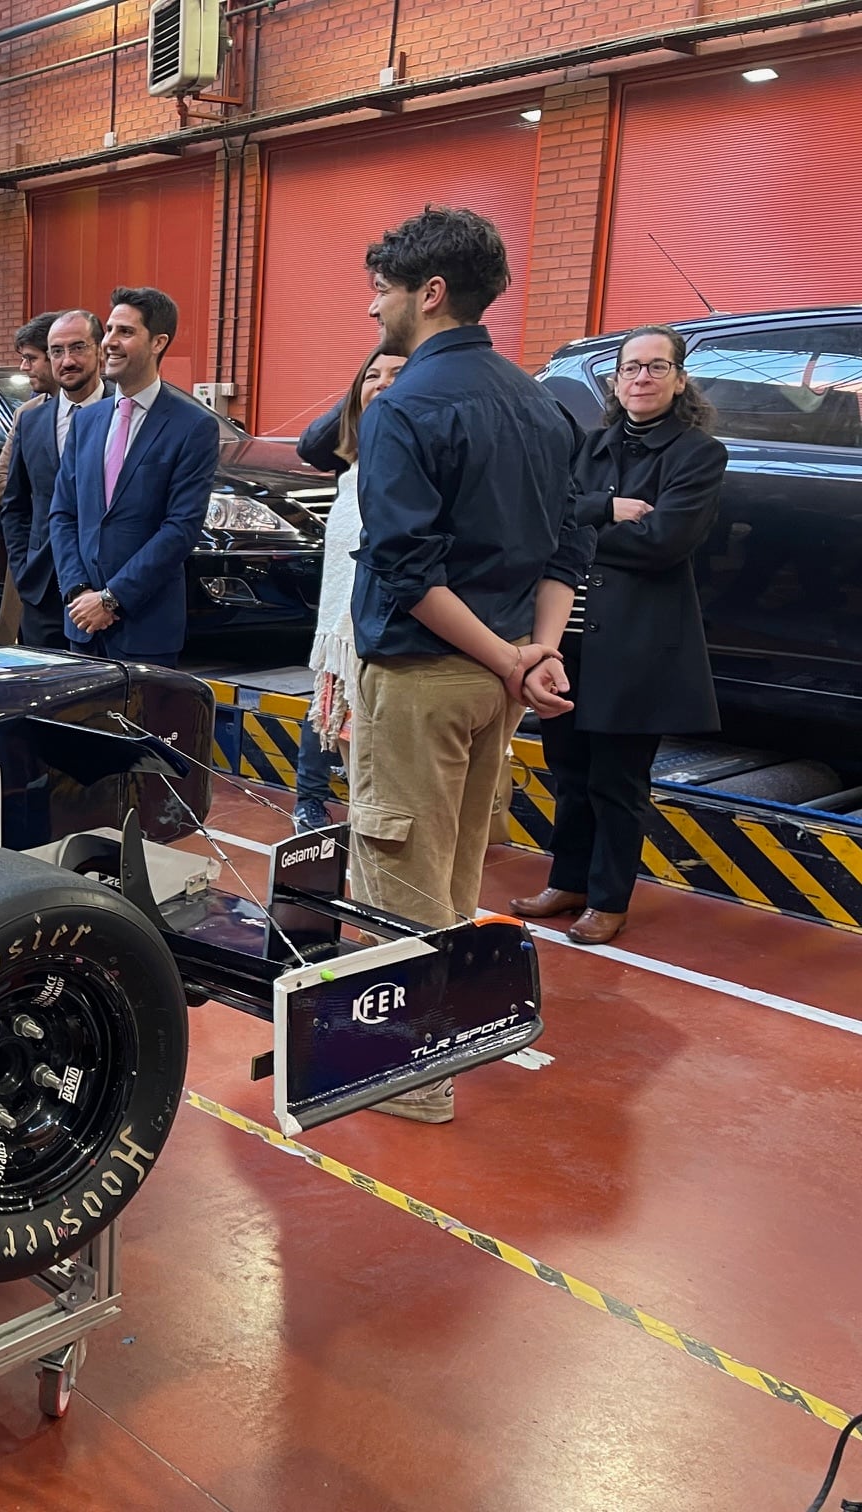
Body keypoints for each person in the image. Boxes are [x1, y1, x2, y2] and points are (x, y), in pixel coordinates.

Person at [347, 206, 588, 1125]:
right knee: (452, 876)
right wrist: (535, 658)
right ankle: (443, 1044)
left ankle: (414, 1079)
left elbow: (407, 572)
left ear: (431, 294)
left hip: (428, 676)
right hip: (499, 680)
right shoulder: (541, 400)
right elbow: (568, 549)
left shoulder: (408, 405)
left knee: (401, 873)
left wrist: (505, 656)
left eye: (384, 289)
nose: (376, 309)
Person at [511, 327, 726, 946]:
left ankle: (608, 898)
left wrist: (583, 524)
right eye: (631, 367)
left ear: (679, 379)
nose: (641, 378)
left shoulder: (697, 454)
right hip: (567, 638)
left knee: (618, 781)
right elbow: (547, 521)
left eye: (657, 367)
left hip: (637, 647)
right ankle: (568, 880)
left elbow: (666, 543)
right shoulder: (589, 445)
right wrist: (609, 510)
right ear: (614, 379)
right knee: (569, 771)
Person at [49, 287, 217, 667]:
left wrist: (111, 599)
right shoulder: (87, 421)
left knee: (148, 728)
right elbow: (63, 514)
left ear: (158, 342)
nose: (109, 342)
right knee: (81, 728)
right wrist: (79, 591)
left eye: (124, 332)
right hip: (82, 624)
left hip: (146, 627)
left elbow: (180, 529)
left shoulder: (192, 427)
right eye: (108, 330)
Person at [293, 346, 404, 833]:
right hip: (339, 616)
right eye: (372, 375)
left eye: (399, 374)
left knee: (369, 722)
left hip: (390, 614)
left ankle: (369, 816)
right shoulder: (350, 461)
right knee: (326, 702)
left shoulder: (415, 457)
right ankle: (309, 801)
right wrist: (365, 394)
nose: (383, 381)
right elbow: (311, 443)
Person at [3, 308, 108, 649]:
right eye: (57, 352)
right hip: (42, 589)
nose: (67, 360)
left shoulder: (126, 414)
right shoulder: (31, 421)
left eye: (77, 348)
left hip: (106, 591)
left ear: (100, 350)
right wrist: (24, 569)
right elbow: (14, 504)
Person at [0, 313, 55, 510]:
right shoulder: (26, 414)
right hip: (39, 535)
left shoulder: (111, 408)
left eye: (31, 358)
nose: (23, 367)